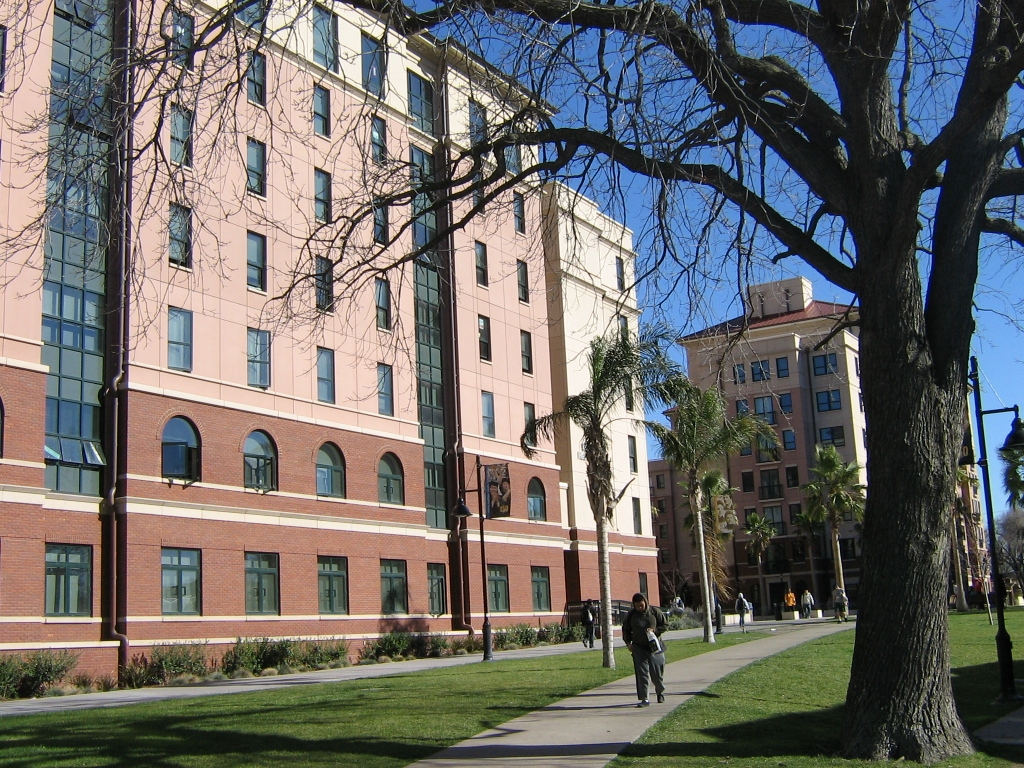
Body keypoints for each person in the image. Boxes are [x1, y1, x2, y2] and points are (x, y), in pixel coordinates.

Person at [621, 592, 667, 707]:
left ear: (646, 603)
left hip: (654, 647)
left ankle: (660, 692)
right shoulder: (631, 615)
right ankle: (644, 698)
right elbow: (626, 629)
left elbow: (665, 625)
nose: (640, 608)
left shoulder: (655, 612)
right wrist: (628, 643)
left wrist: (655, 631)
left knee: (657, 673)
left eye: (641, 605)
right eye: (637, 606)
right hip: (639, 647)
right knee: (642, 674)